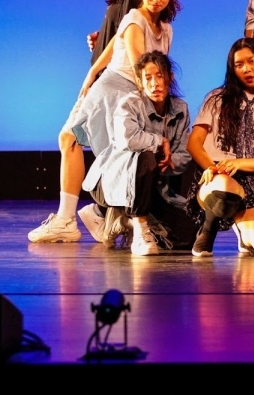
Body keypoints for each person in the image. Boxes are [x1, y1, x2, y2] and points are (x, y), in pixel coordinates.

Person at [29, 0, 181, 244]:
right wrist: (94, 71)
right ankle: (72, 218)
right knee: (71, 139)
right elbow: (135, 60)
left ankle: (95, 217)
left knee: (113, 155)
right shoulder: (135, 18)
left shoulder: (165, 29)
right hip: (115, 87)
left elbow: (122, 47)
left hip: (132, 93)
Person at [188, 38, 254, 257]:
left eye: (252, 61)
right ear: (232, 69)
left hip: (253, 181)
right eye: (239, 65)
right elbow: (194, 143)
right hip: (216, 176)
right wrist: (213, 168)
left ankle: (243, 228)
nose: (247, 69)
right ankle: (208, 229)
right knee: (224, 188)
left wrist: (238, 164)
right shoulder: (216, 99)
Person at [83, 52, 194, 255]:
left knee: (189, 236)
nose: (154, 84)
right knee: (146, 156)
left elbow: (184, 154)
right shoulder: (129, 103)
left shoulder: (180, 109)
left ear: (170, 77)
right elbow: (129, 139)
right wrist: (160, 142)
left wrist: (166, 163)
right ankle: (140, 228)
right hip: (111, 181)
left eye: (159, 76)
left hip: (154, 182)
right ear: (140, 83)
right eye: (148, 78)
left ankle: (122, 220)